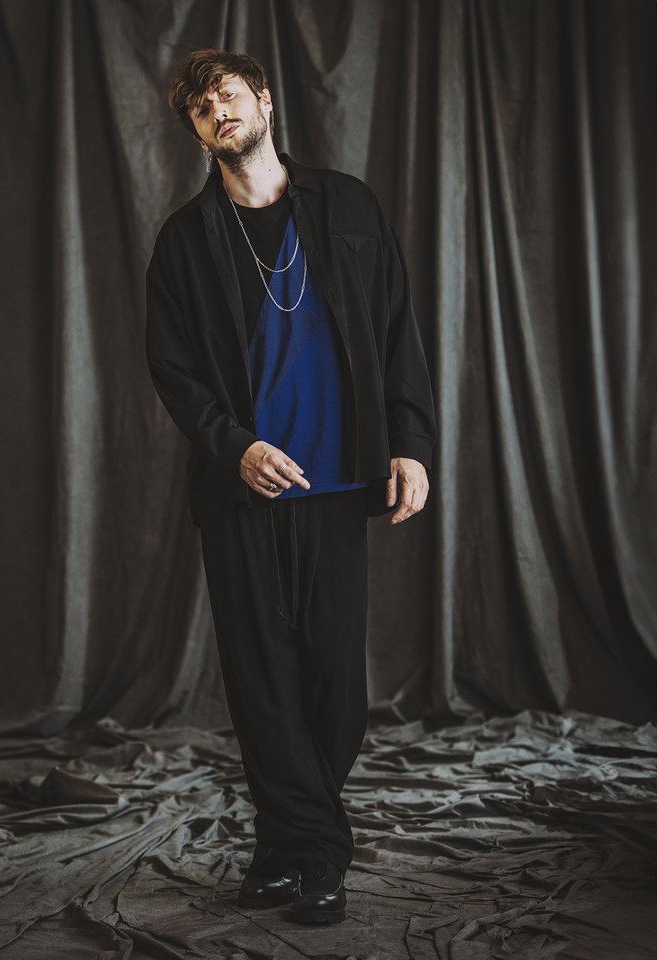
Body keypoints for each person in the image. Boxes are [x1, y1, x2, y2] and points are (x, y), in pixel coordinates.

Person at [145, 48, 436, 924]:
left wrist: (411, 443)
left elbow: (396, 326)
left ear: (264, 101)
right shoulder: (185, 240)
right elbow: (173, 371)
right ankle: (316, 858)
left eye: (228, 94)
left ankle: (285, 847)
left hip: (340, 478)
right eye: (200, 108)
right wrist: (235, 448)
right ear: (196, 133)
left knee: (334, 684)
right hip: (243, 489)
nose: (217, 112)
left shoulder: (349, 205)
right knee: (261, 681)